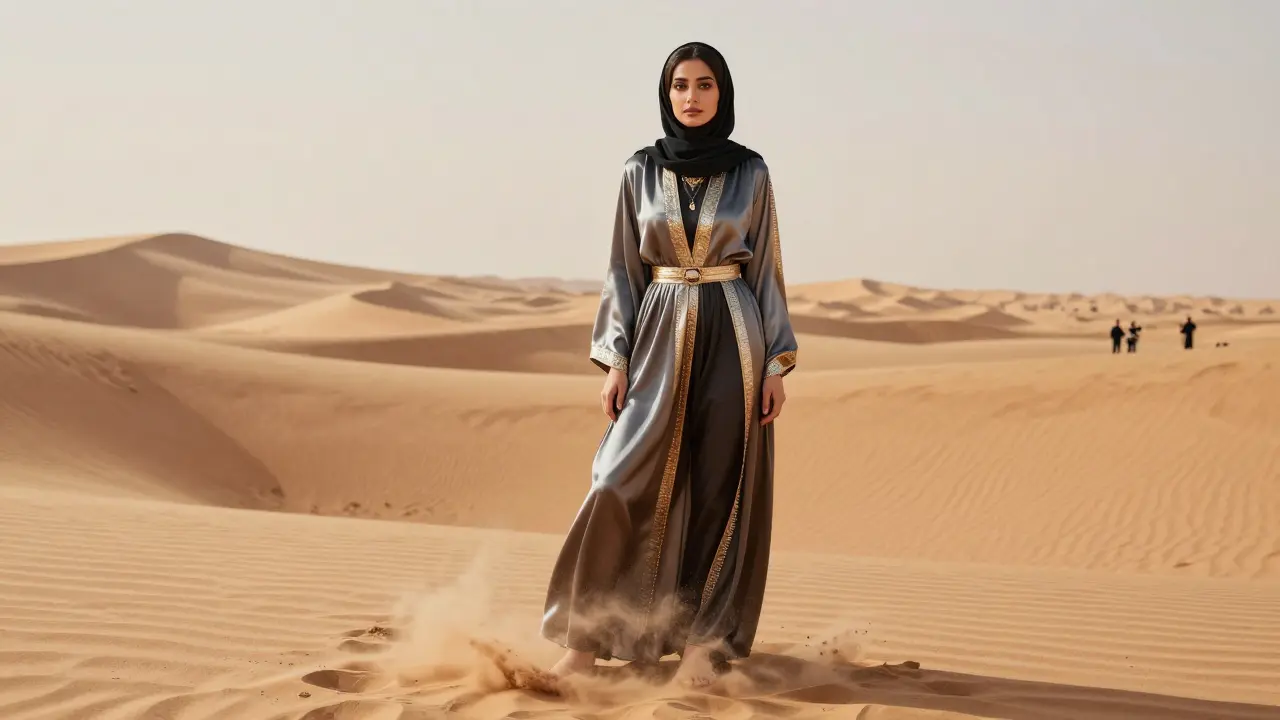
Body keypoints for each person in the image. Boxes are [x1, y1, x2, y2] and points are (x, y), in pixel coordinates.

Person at [540, 41, 798, 689]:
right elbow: (622, 269)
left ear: (723, 94)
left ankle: (700, 646)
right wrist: (615, 358)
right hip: (657, 328)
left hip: (733, 330)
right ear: (666, 94)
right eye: (680, 85)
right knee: (615, 479)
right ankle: (583, 642)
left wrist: (774, 362)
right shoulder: (638, 171)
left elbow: (765, 269)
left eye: (705, 84)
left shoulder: (751, 173)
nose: (692, 97)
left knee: (717, 489)